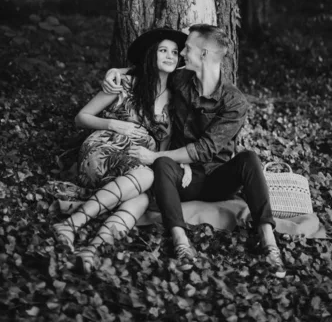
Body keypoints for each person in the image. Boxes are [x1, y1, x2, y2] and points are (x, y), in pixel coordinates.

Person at [103, 24, 286, 278]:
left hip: (218, 178)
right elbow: (150, 73)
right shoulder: (181, 80)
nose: (181, 54)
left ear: (203, 55)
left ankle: (269, 243)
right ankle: (181, 242)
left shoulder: (234, 102)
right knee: (163, 165)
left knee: (249, 159)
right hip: (183, 178)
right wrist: (119, 71)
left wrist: (156, 156)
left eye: (187, 49)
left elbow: (204, 150)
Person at [53, 27, 190, 273]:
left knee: (144, 196)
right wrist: (115, 123)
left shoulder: (175, 99)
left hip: (134, 168)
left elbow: (165, 146)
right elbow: (81, 117)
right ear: (151, 55)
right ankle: (74, 223)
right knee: (147, 178)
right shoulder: (124, 83)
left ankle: (92, 247)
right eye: (163, 50)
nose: (170, 56)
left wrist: (177, 163)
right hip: (102, 150)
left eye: (174, 52)